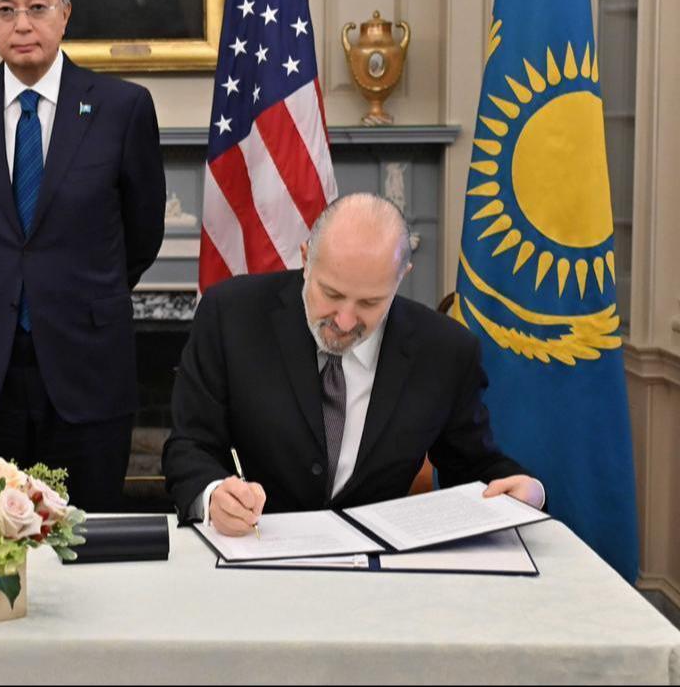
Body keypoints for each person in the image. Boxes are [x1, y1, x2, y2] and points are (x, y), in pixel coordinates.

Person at [0, 0, 166, 511]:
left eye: (37, 6)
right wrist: (5, 284)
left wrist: (73, 290)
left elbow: (141, 233)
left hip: (87, 364)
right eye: (6, 10)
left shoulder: (122, 107)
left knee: (82, 536)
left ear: (65, 14)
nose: (22, 24)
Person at [162, 193, 545, 536]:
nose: (344, 321)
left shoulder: (445, 350)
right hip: (257, 553)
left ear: (401, 279)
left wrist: (527, 491)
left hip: (384, 577)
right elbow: (190, 446)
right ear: (305, 257)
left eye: (369, 303)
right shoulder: (232, 315)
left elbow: (474, 465)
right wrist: (213, 497)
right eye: (331, 294)